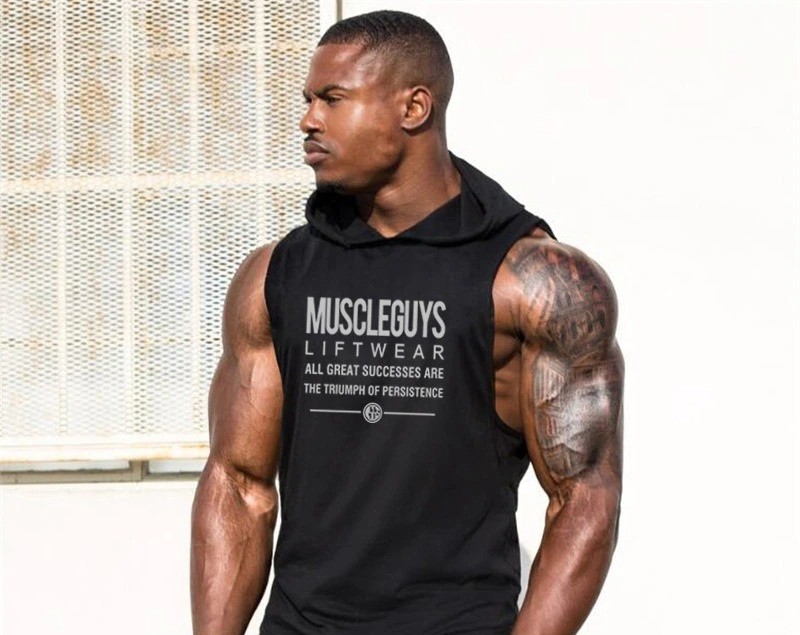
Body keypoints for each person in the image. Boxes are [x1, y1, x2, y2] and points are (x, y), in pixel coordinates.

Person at [191, 10, 623, 635]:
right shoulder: (275, 276)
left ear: (414, 107)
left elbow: (584, 497)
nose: (308, 120)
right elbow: (238, 484)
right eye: (308, 100)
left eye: (333, 99)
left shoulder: (534, 283)